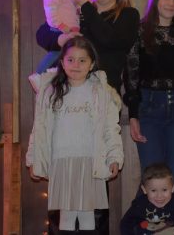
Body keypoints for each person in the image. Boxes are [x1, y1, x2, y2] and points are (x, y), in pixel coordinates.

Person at [35, 0, 139, 234]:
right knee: (64, 179)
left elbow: (110, 40)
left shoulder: (127, 16)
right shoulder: (80, 12)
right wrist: (56, 38)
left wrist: (84, 6)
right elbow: (44, 30)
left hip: (101, 104)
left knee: (95, 183)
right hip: (68, 102)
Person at [26, 36, 124, 234]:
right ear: (62, 62)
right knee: (67, 215)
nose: (76, 65)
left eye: (82, 60)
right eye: (70, 60)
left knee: (88, 214)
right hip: (61, 161)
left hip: (90, 161)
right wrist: (34, 160)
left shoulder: (101, 92)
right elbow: (40, 129)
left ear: (92, 64)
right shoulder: (50, 92)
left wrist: (114, 156)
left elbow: (110, 128)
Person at [36, 0, 140, 93]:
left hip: (104, 99)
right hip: (70, 97)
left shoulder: (129, 15)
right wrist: (59, 39)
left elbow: (109, 39)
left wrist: (85, 4)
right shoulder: (80, 12)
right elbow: (42, 33)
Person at [123, 0, 174, 185]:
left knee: (172, 177)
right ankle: (142, 219)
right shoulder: (139, 32)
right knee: (152, 177)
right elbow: (131, 75)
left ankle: (168, 220)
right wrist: (133, 115)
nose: (171, 3)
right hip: (148, 109)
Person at [120, 163, 174, 235]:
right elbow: (125, 224)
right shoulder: (139, 205)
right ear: (144, 189)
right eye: (153, 190)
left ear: (173, 188)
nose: (159, 196)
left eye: (164, 190)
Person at [35, 0, 80, 74]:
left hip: (71, 28)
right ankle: (40, 74)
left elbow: (74, 10)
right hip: (59, 29)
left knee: (69, 56)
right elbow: (51, 14)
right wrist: (60, 26)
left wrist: (76, 20)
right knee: (56, 53)